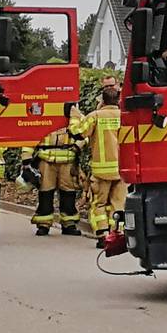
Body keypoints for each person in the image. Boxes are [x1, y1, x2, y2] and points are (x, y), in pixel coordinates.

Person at [74, 84, 126, 237]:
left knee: (99, 204)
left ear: (103, 100)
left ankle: (102, 234)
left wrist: (76, 116)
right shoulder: (125, 116)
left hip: (101, 171)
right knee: (118, 204)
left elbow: (78, 133)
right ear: (118, 100)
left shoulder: (95, 116)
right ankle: (117, 233)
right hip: (122, 170)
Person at [32, 105, 82, 236]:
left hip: (67, 159)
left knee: (68, 193)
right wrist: (26, 160)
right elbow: (31, 133)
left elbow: (85, 132)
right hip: (46, 159)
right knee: (45, 193)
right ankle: (43, 224)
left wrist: (77, 146)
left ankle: (69, 223)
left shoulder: (73, 111)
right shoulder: (42, 108)